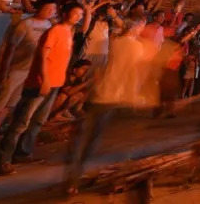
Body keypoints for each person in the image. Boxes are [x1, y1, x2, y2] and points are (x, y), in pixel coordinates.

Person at [66, 19, 159, 194]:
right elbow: (132, 72)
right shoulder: (135, 46)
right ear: (134, 27)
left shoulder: (116, 41)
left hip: (101, 92)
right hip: (113, 96)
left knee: (87, 133)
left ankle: (74, 173)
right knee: (96, 136)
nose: (142, 29)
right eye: (141, 25)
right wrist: (134, 97)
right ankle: (77, 176)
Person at [0, 1, 85, 174]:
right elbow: (43, 55)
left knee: (37, 120)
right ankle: (2, 160)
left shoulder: (67, 32)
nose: (78, 17)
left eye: (80, 14)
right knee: (22, 121)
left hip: (55, 82)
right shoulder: (55, 31)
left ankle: (22, 152)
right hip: (40, 83)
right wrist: (44, 79)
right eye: (76, 14)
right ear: (65, 14)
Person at [0, 1, 55, 145]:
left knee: (10, 104)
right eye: (47, 8)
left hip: (30, 71)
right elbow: (11, 48)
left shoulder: (48, 26)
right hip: (16, 69)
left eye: (53, 9)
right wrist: (4, 69)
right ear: (39, 8)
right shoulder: (25, 24)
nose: (50, 12)